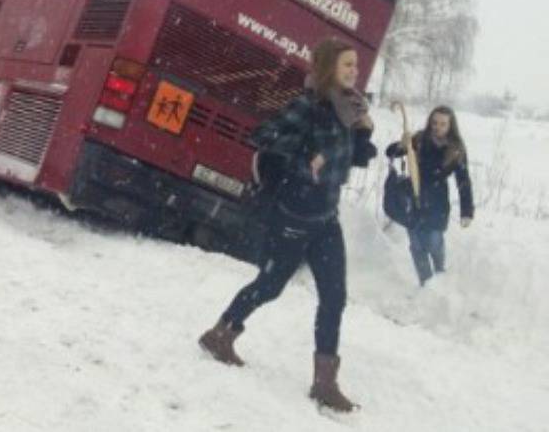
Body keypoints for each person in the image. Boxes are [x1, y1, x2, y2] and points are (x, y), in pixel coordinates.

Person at [197, 37, 377, 413]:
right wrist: (304, 156)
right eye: (347, 66)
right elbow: (263, 136)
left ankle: (324, 383)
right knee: (270, 285)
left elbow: (351, 161)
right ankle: (220, 334)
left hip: (326, 217)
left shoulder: (351, 109)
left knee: (334, 297)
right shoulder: (308, 107)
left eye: (355, 66)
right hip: (294, 213)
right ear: (329, 68)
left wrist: (364, 132)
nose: (354, 72)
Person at [386, 107, 474, 286]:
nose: (437, 127)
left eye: (443, 124)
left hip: (437, 201)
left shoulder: (456, 149)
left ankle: (441, 277)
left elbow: (463, 181)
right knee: (417, 244)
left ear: (450, 126)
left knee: (434, 241)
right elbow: (391, 152)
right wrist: (401, 145)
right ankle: (426, 283)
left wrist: (467, 211)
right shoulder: (419, 139)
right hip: (413, 196)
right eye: (434, 122)